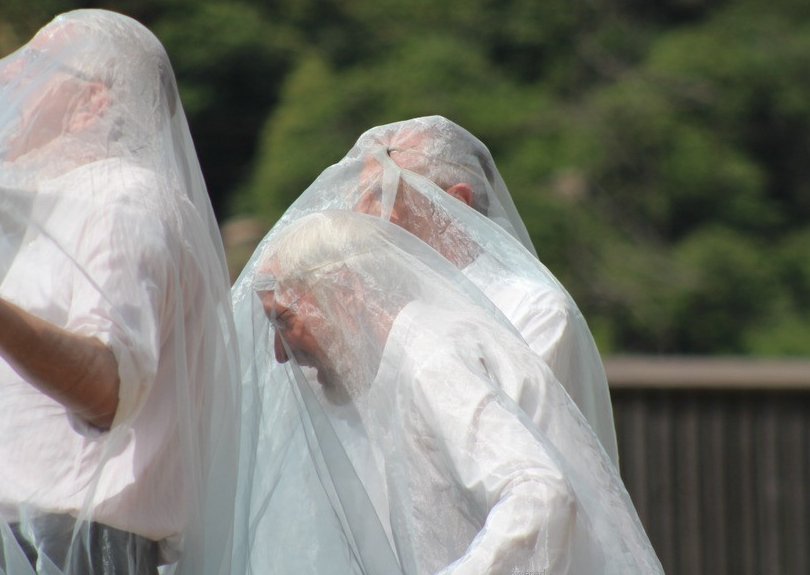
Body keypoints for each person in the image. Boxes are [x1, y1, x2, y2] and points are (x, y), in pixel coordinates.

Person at [0, 10, 246, 575]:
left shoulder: (119, 195)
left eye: (32, 65)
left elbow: (107, 387)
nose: (7, 82)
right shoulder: (48, 209)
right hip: (16, 548)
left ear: (89, 104)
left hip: (70, 556)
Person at [234, 210, 681, 575]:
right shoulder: (404, 359)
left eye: (283, 320)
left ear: (346, 292)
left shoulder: (431, 357)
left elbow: (539, 493)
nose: (279, 353)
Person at [264, 115, 619, 465]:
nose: (358, 214)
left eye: (381, 194)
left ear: (454, 206)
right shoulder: (376, 307)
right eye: (359, 196)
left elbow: (529, 475)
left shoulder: (532, 311)